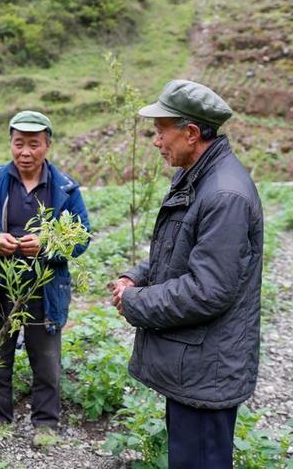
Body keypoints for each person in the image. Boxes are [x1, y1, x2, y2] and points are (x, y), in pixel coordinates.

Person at [109, 80, 263, 469]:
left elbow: (207, 290)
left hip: (207, 368)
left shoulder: (223, 195)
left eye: (161, 131)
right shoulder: (197, 176)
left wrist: (135, 303)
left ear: (191, 133)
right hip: (194, 361)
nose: (156, 141)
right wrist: (136, 278)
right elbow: (177, 254)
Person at [0, 110, 90, 444]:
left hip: (42, 287)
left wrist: (48, 245)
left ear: (47, 145)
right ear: (11, 144)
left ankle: (46, 424)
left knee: (46, 360)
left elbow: (81, 235)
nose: (25, 152)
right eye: (19, 144)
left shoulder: (64, 188)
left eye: (34, 144)